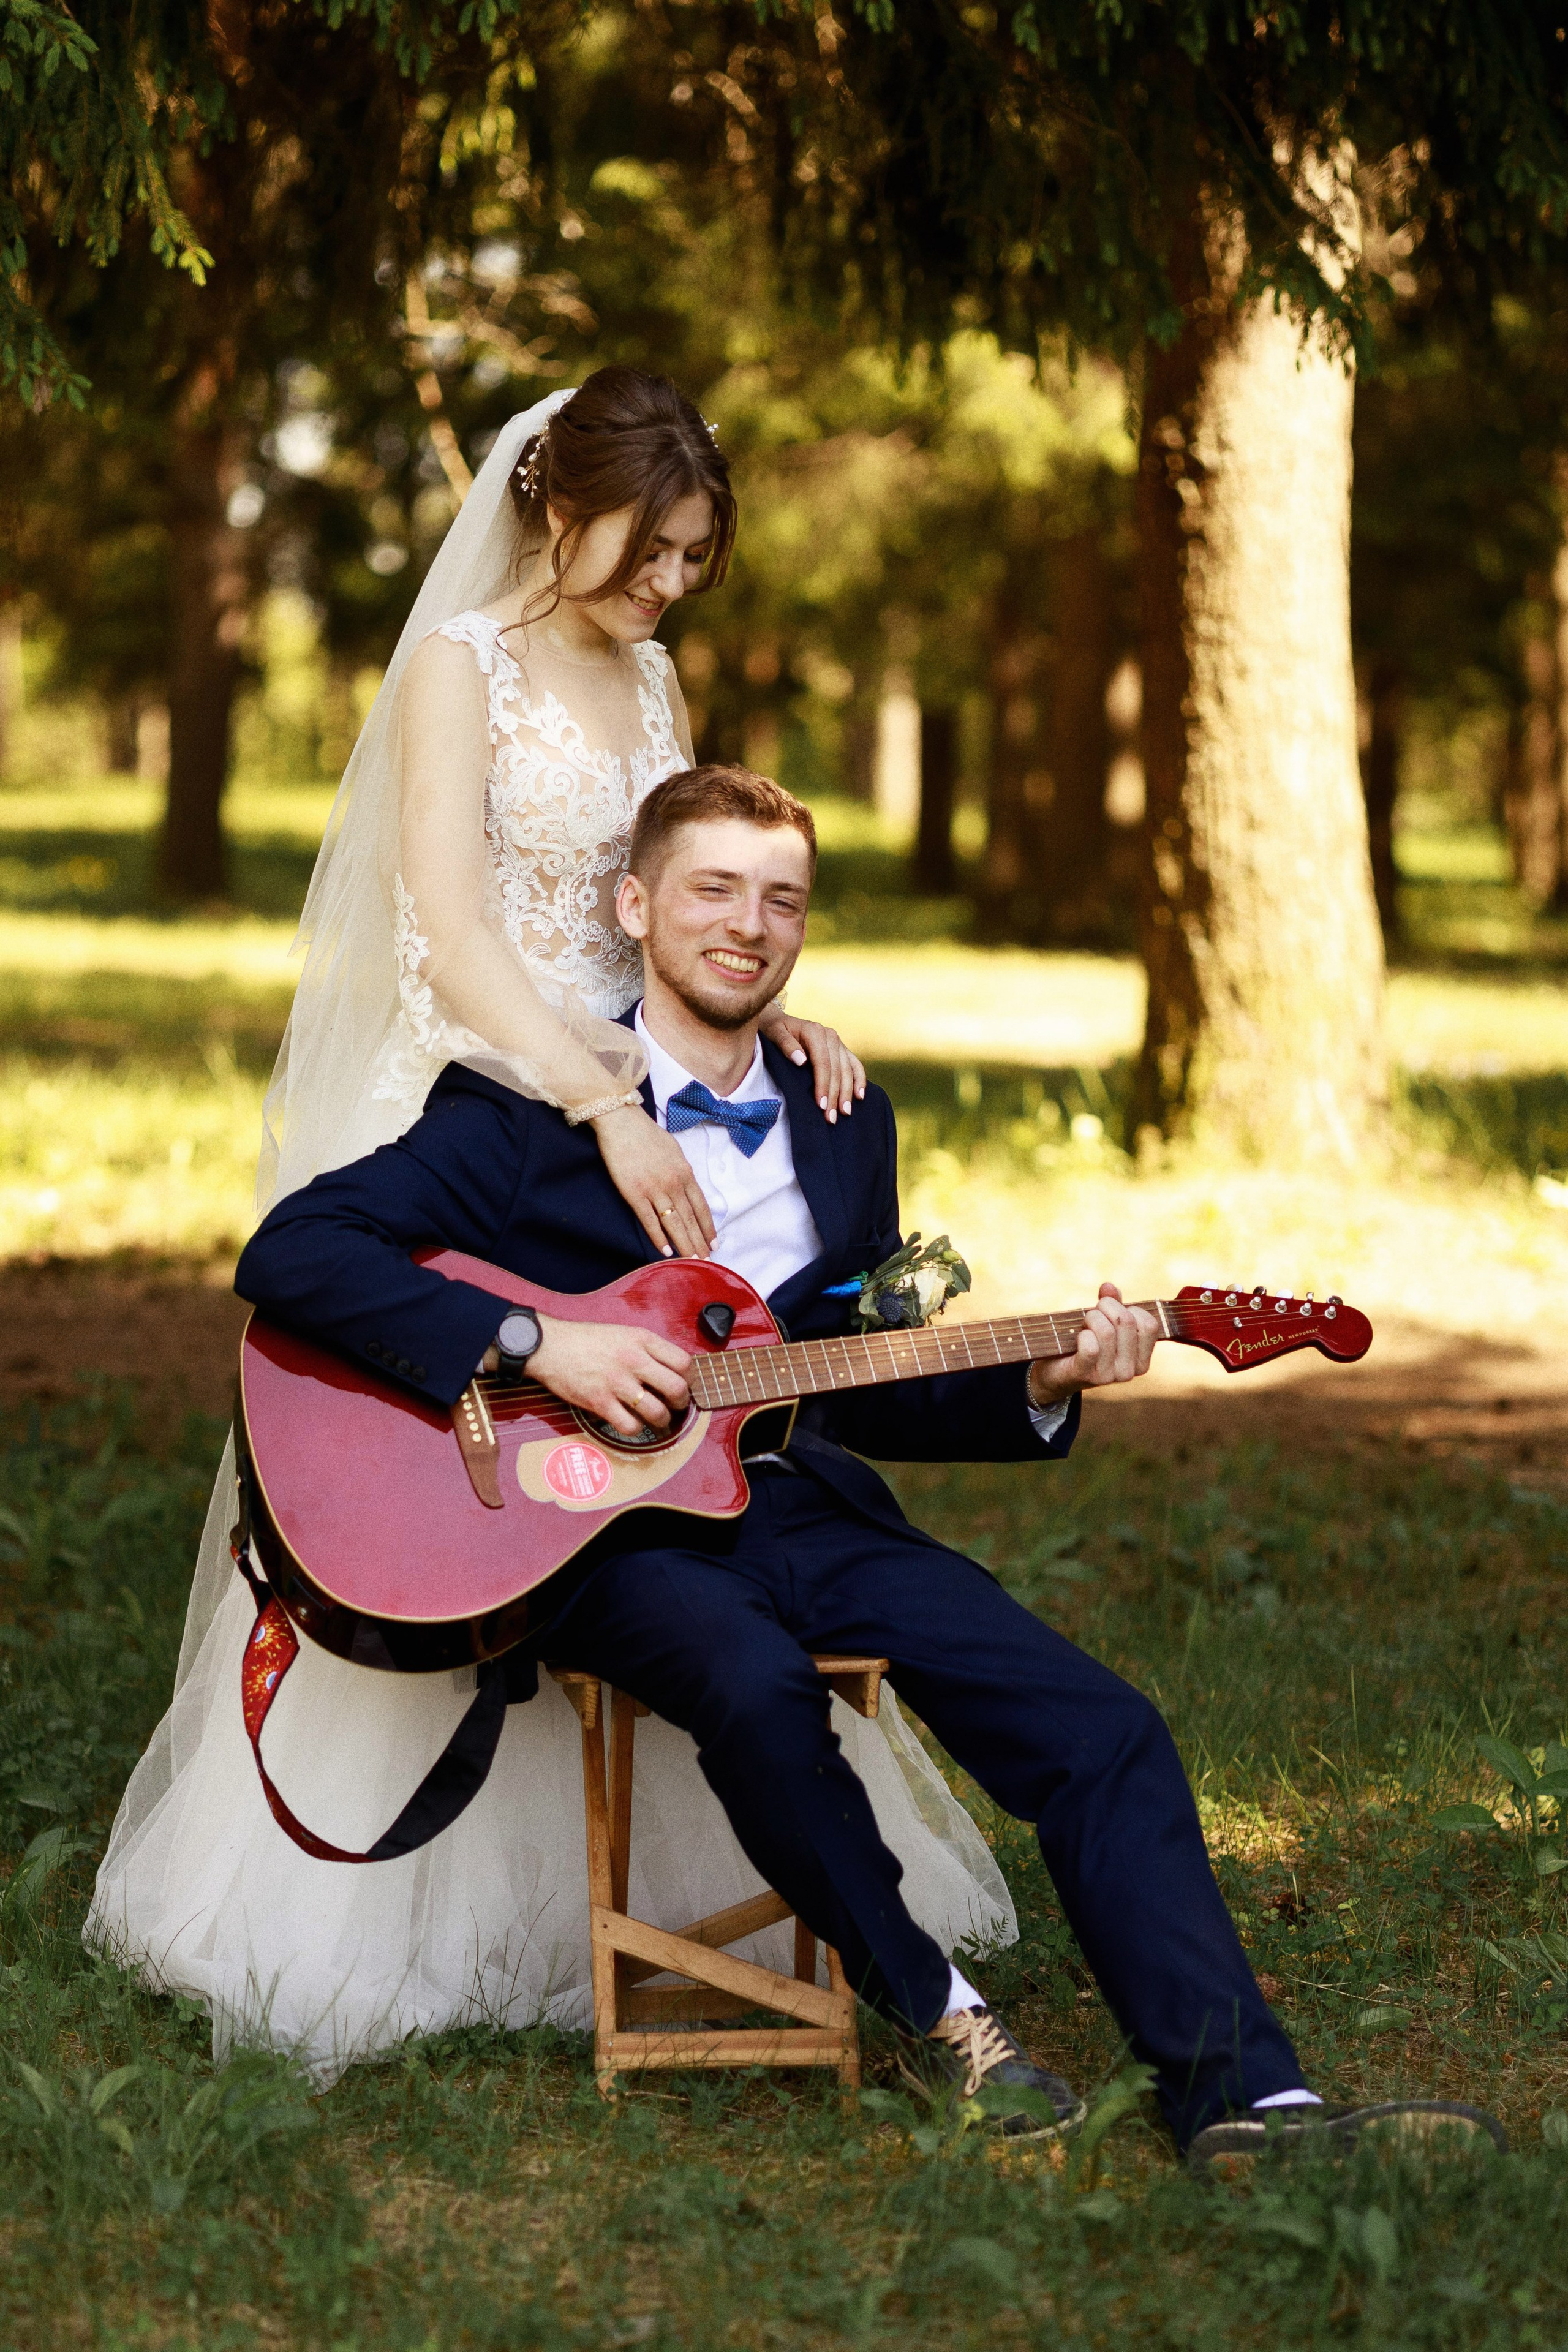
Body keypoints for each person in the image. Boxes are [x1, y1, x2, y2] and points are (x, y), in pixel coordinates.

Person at [228, 764, 1504, 2162]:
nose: (747, 926)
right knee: (754, 1687)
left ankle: (1250, 2101)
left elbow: (845, 1375)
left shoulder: (844, 1118)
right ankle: (946, 2018)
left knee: (1099, 1727)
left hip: (794, 1502)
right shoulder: (527, 1105)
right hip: (595, 1529)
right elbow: (293, 1256)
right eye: (712, 889)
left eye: (781, 899)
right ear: (633, 904)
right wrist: (539, 1345)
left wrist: (1032, 1378)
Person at [86, 376, 1011, 2082]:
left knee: (653, 1459)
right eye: (648, 549)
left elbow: (680, 882)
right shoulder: (462, 670)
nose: (669, 588)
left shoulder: (649, 671)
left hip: (641, 1116)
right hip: (487, 1105)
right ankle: (389, 1915)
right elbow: (447, 925)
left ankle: (699, 1852)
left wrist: (752, 1034)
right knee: (467, 1473)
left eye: (690, 559)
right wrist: (595, 1101)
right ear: (554, 504)